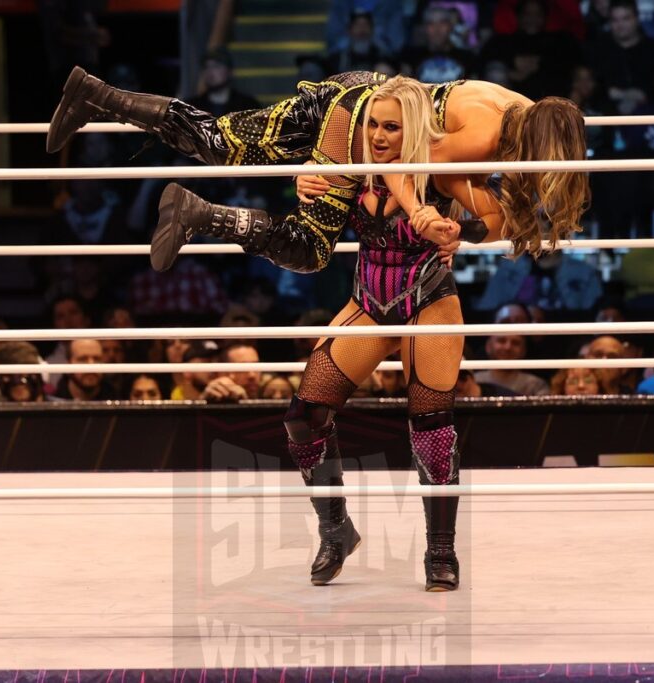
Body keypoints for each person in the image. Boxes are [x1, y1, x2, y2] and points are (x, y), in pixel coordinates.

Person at [282, 78, 510, 592]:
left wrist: (460, 232)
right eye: (372, 124)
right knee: (305, 415)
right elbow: (309, 196)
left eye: (391, 126)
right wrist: (304, 181)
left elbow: (499, 219)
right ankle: (335, 530)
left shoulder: (439, 173)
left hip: (430, 302)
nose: (378, 135)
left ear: (414, 131)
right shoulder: (353, 164)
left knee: (431, 428)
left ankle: (441, 553)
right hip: (368, 301)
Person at [45, 68, 589, 273]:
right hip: (362, 119)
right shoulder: (488, 134)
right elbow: (407, 164)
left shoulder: (524, 112)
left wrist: (468, 223)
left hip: (360, 99)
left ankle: (95, 95)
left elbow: (473, 197)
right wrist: (428, 214)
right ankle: (200, 215)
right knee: (309, 247)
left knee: (217, 142)